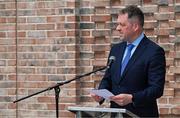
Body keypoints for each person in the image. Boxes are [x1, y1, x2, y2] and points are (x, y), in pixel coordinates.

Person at [91, 5, 166, 117]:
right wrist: (101, 93)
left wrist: (132, 98)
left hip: (141, 114)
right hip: (116, 114)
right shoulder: (115, 50)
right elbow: (108, 78)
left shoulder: (154, 52)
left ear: (135, 26)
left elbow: (156, 89)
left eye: (122, 25)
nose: (117, 28)